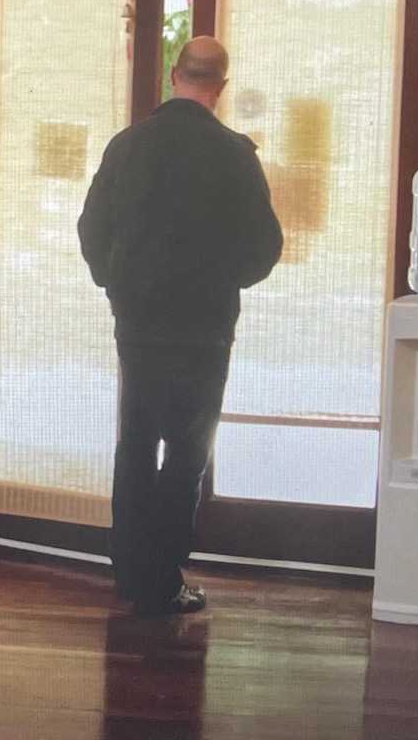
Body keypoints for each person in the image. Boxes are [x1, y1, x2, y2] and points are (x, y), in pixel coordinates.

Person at [76, 37, 283, 615]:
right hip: (206, 326)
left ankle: (129, 572)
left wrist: (114, 283)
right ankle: (164, 578)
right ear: (220, 85)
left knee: (135, 443)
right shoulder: (236, 154)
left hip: (138, 322)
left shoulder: (128, 146)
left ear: (174, 74)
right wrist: (226, 279)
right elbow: (265, 246)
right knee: (189, 453)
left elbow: (92, 229)